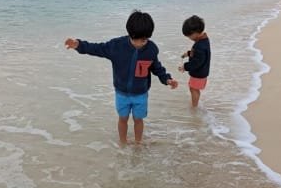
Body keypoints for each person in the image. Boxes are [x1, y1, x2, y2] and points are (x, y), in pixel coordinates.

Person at [65, 10, 178, 144]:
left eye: (144, 40)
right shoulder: (116, 46)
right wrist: (79, 45)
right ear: (130, 34)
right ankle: (123, 142)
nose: (140, 43)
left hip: (140, 94)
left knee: (138, 120)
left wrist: (167, 79)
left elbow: (156, 67)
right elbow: (97, 48)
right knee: (122, 119)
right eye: (137, 40)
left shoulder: (151, 49)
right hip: (121, 93)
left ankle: (138, 143)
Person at [179, 15, 211, 108]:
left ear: (195, 33)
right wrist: (188, 53)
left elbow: (197, 62)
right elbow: (199, 55)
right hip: (201, 72)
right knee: (194, 88)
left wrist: (185, 66)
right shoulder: (203, 40)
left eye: (189, 36)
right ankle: (195, 103)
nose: (189, 38)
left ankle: (194, 106)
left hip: (199, 73)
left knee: (193, 89)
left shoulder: (200, 46)